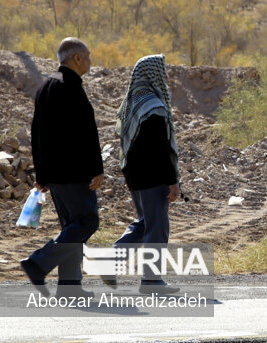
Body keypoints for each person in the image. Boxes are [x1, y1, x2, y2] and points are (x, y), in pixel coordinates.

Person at [22, 38, 104, 298]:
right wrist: (97, 169)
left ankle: (70, 287)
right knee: (87, 221)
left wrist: (42, 174)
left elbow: (37, 133)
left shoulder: (47, 86)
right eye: (88, 56)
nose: (90, 61)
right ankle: (39, 262)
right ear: (77, 58)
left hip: (56, 174)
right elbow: (86, 134)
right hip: (74, 172)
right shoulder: (69, 86)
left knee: (72, 227)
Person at [112, 54, 182, 294]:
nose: (166, 77)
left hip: (134, 177)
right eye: (163, 72)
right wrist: (172, 182)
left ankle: (112, 258)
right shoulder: (154, 106)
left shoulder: (131, 102)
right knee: (157, 229)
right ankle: (151, 282)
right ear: (154, 74)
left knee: (145, 224)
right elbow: (161, 150)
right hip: (154, 178)